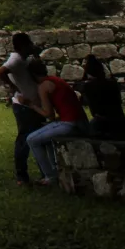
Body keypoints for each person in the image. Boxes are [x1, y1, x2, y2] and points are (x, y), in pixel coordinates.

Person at [25, 58, 87, 186]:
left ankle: (50, 176)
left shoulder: (43, 86)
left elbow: (49, 115)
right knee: (47, 139)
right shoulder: (56, 80)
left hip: (70, 124)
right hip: (81, 121)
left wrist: (31, 105)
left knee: (32, 140)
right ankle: (56, 171)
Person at [0, 32, 44, 185]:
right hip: (24, 106)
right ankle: (22, 176)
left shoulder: (24, 59)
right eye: (29, 43)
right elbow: (1, 72)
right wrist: (14, 88)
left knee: (37, 137)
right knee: (24, 139)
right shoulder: (15, 59)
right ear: (23, 45)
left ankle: (44, 173)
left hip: (32, 104)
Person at [80, 54, 125, 138]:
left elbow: (94, 112)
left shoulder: (89, 86)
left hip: (104, 124)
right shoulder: (112, 83)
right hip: (122, 123)